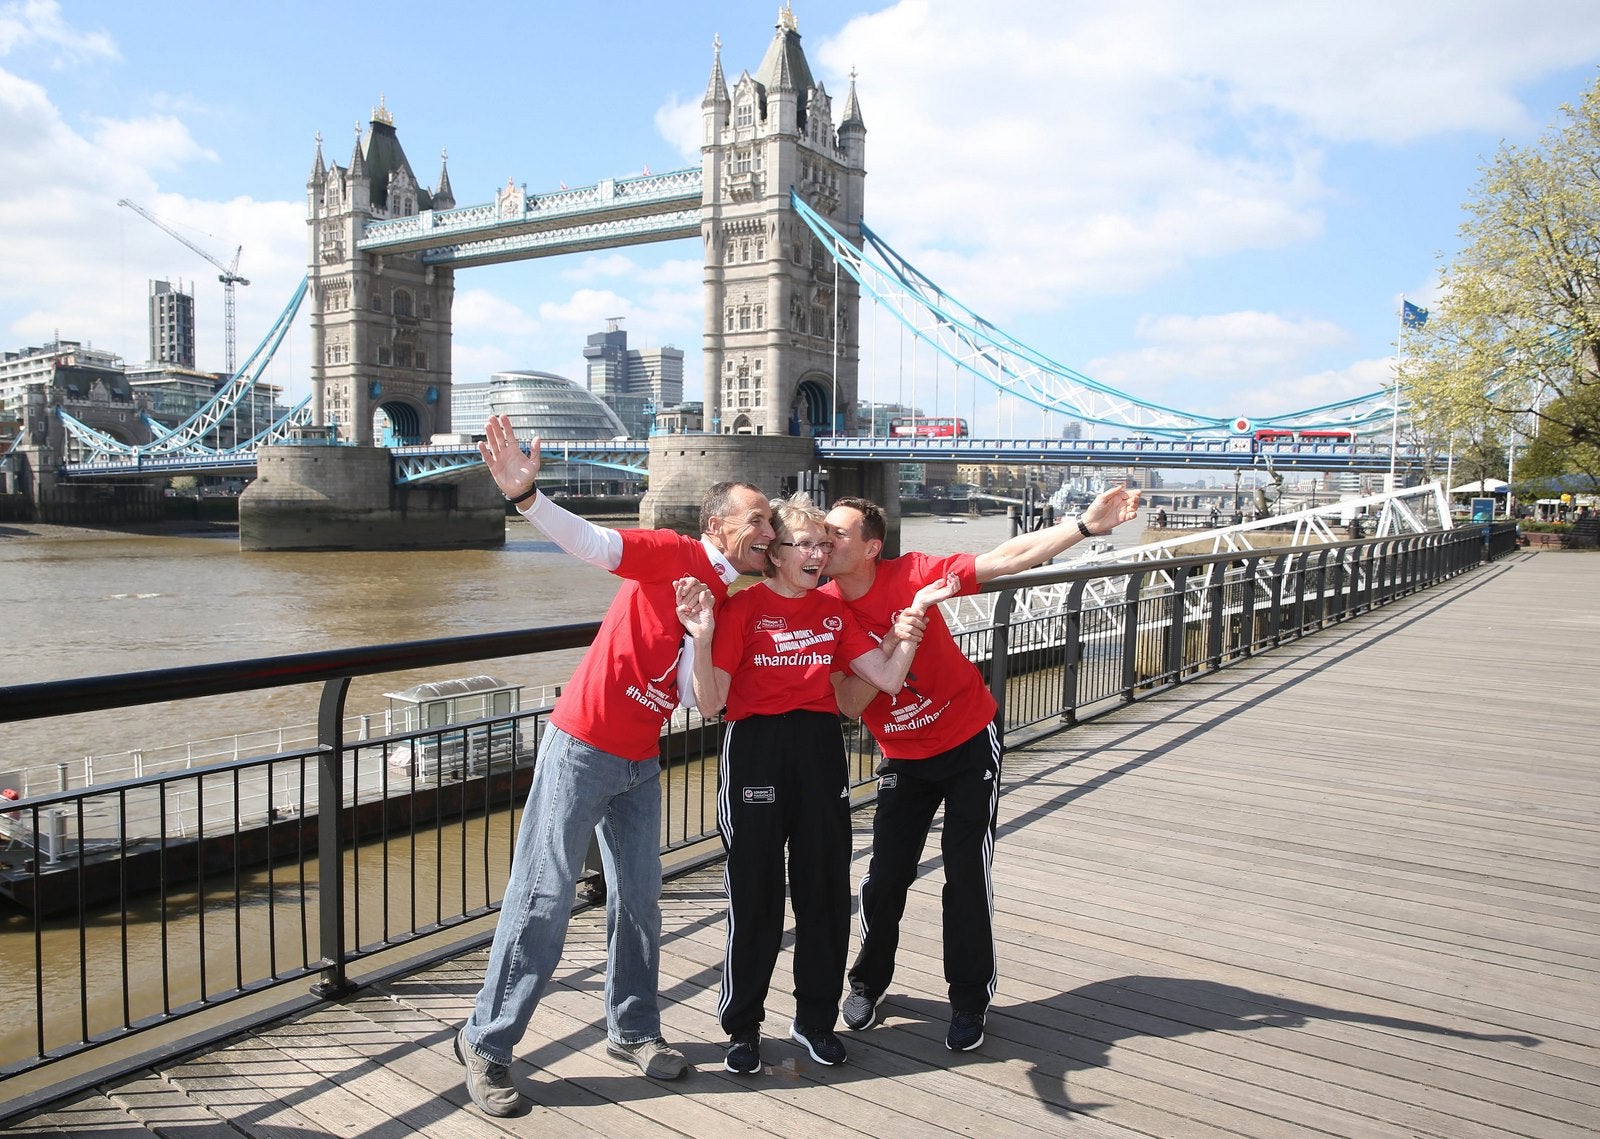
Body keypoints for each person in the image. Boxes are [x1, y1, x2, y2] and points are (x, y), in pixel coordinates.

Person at [454, 413, 775, 1117]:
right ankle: (486, 1043)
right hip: (582, 745)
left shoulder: (722, 595)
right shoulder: (671, 552)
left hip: (640, 757)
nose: (770, 531)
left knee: (640, 900)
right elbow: (595, 545)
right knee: (542, 897)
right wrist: (527, 499)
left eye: (772, 523)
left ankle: (631, 1030)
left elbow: (696, 698)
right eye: (758, 519)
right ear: (718, 524)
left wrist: (703, 632)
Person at [821, 483, 1142, 1052]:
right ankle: (868, 983)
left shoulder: (915, 572)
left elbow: (1005, 557)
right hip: (901, 755)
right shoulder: (825, 608)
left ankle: (969, 1002)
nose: (824, 539)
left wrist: (1085, 528)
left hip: (969, 739)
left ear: (872, 547)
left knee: (965, 875)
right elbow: (846, 701)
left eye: (837, 531)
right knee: (885, 876)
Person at [675, 494, 958, 1076]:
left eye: (823, 545)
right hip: (756, 752)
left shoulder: (834, 613)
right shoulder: (743, 609)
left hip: (819, 752)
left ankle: (813, 1021)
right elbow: (710, 702)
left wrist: (908, 630)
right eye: (804, 545)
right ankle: (743, 1028)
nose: (817, 554)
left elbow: (881, 676)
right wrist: (701, 639)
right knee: (756, 896)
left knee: (825, 893)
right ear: (775, 554)